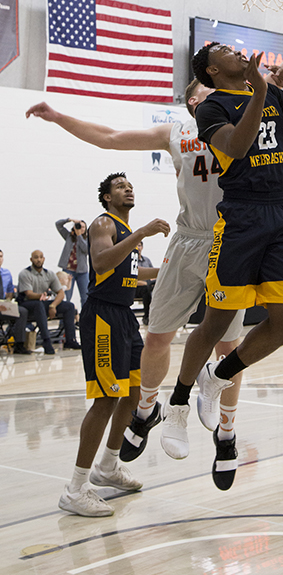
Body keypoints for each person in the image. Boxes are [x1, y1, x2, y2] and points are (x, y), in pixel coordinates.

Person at [27, 0, 283, 490]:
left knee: (229, 341)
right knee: (158, 334)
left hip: (238, 231)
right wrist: (59, 117)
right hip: (191, 237)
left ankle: (225, 430)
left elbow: (279, 74)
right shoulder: (181, 129)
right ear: (194, 98)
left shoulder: (247, 98)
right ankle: (149, 407)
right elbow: (111, 136)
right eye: (204, 85)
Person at [161, 36, 283, 469]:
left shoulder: (269, 89)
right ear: (211, 70)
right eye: (222, 50)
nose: (234, 50)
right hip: (240, 217)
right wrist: (258, 91)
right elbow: (236, 146)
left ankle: (218, 376)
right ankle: (177, 405)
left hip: (282, 213)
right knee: (215, 323)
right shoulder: (211, 107)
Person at [58, 172, 168, 517]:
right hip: (102, 316)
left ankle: (108, 466)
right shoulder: (103, 224)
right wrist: (142, 232)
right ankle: (75, 489)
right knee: (106, 399)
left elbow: (129, 276)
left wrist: (171, 268)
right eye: (120, 186)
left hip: (124, 317)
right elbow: (103, 262)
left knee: (134, 393)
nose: (128, 188)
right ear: (106, 197)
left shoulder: (129, 236)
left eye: (130, 185)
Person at [17, 251, 81, 355]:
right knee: (38, 305)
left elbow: (61, 293)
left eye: (41, 257)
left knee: (69, 306)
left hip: (43, 303)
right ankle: (46, 341)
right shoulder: (25, 273)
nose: (38, 259)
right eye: (36, 257)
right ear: (31, 259)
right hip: (27, 304)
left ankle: (70, 340)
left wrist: (53, 305)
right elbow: (29, 294)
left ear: (44, 259)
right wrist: (40, 296)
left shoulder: (49, 274)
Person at [0, 249, 31, 355]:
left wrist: (7, 303)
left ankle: (19, 344)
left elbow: (9, 292)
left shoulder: (6, 273)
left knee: (22, 311)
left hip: (3, 305)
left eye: (0, 256)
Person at [55, 218, 89, 307]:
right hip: (68, 270)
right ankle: (65, 318)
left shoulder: (88, 239)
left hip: (82, 272)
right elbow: (58, 225)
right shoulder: (69, 236)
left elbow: (86, 250)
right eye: (79, 226)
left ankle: (85, 318)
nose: (81, 228)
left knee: (85, 296)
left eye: (83, 227)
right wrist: (69, 220)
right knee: (66, 295)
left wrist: (79, 236)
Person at [135, 241, 154, 325]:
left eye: (139, 245)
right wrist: (144, 283)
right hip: (135, 288)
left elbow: (153, 274)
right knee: (147, 289)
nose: (138, 248)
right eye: (136, 246)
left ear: (142, 247)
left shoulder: (147, 260)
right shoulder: (130, 261)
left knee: (154, 286)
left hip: (147, 286)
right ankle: (147, 317)